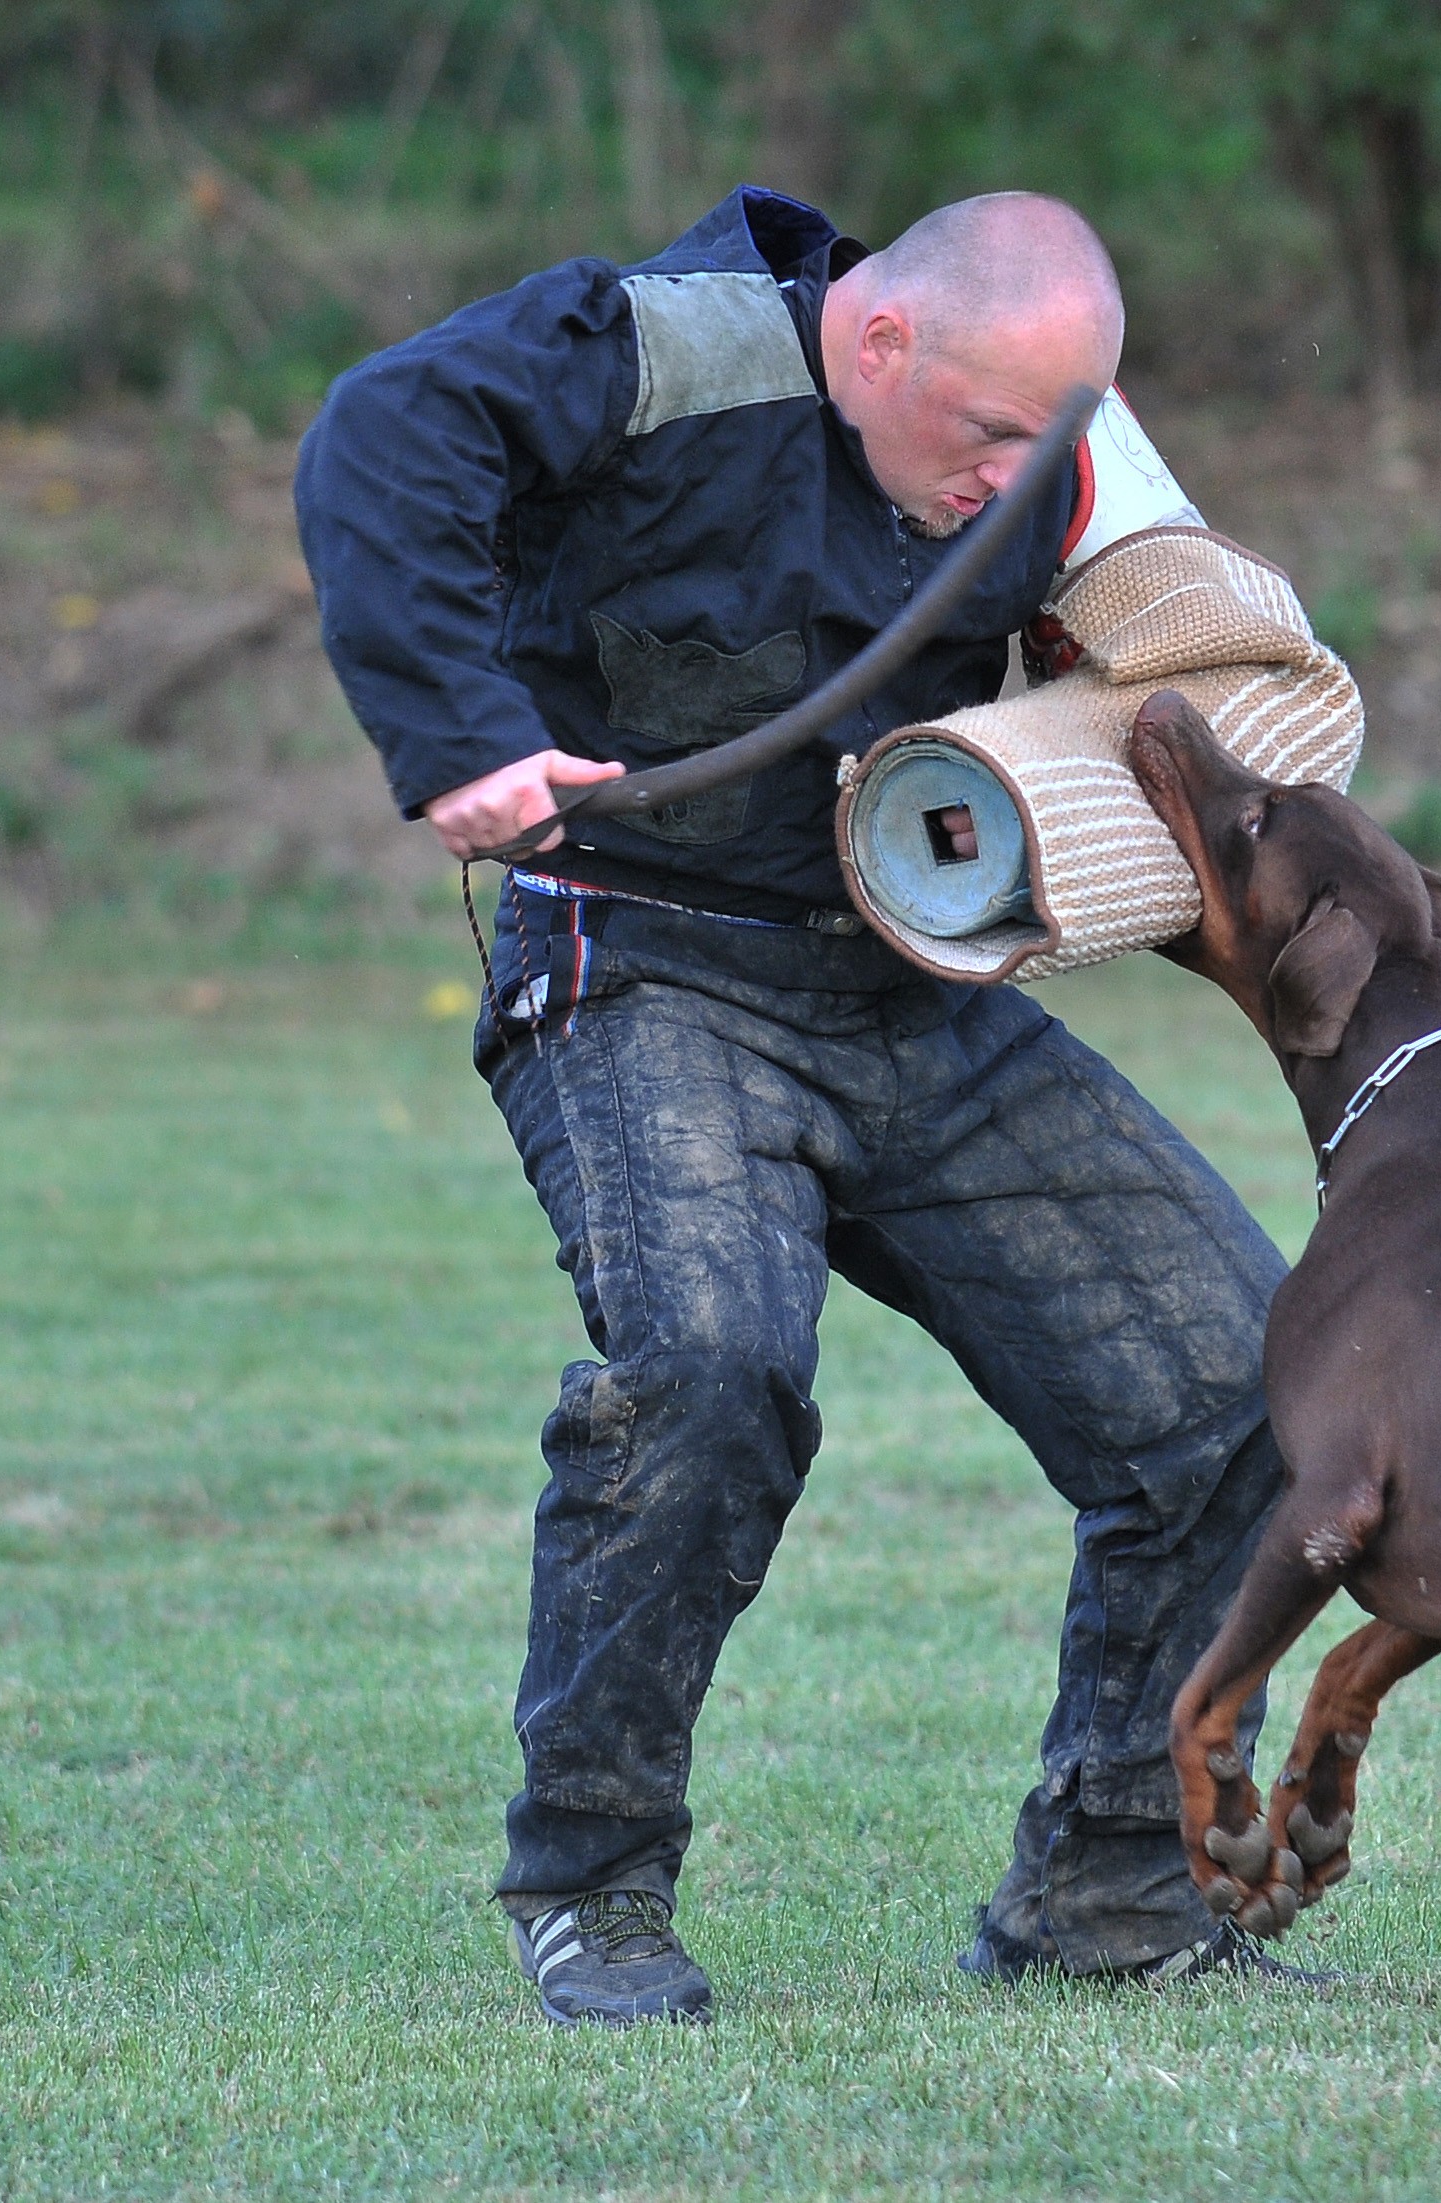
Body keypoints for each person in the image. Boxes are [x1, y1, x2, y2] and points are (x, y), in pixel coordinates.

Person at [293, 187, 1297, 2027]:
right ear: (882, 341)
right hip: (641, 961)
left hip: (910, 982)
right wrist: (457, 735)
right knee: (709, 1372)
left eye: (1051, 443)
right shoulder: (658, 350)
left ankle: (1108, 1886)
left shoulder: (1060, 438)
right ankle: (586, 1890)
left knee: (1236, 1384)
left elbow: (1212, 652)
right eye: (988, 438)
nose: (1019, 481)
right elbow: (383, 432)